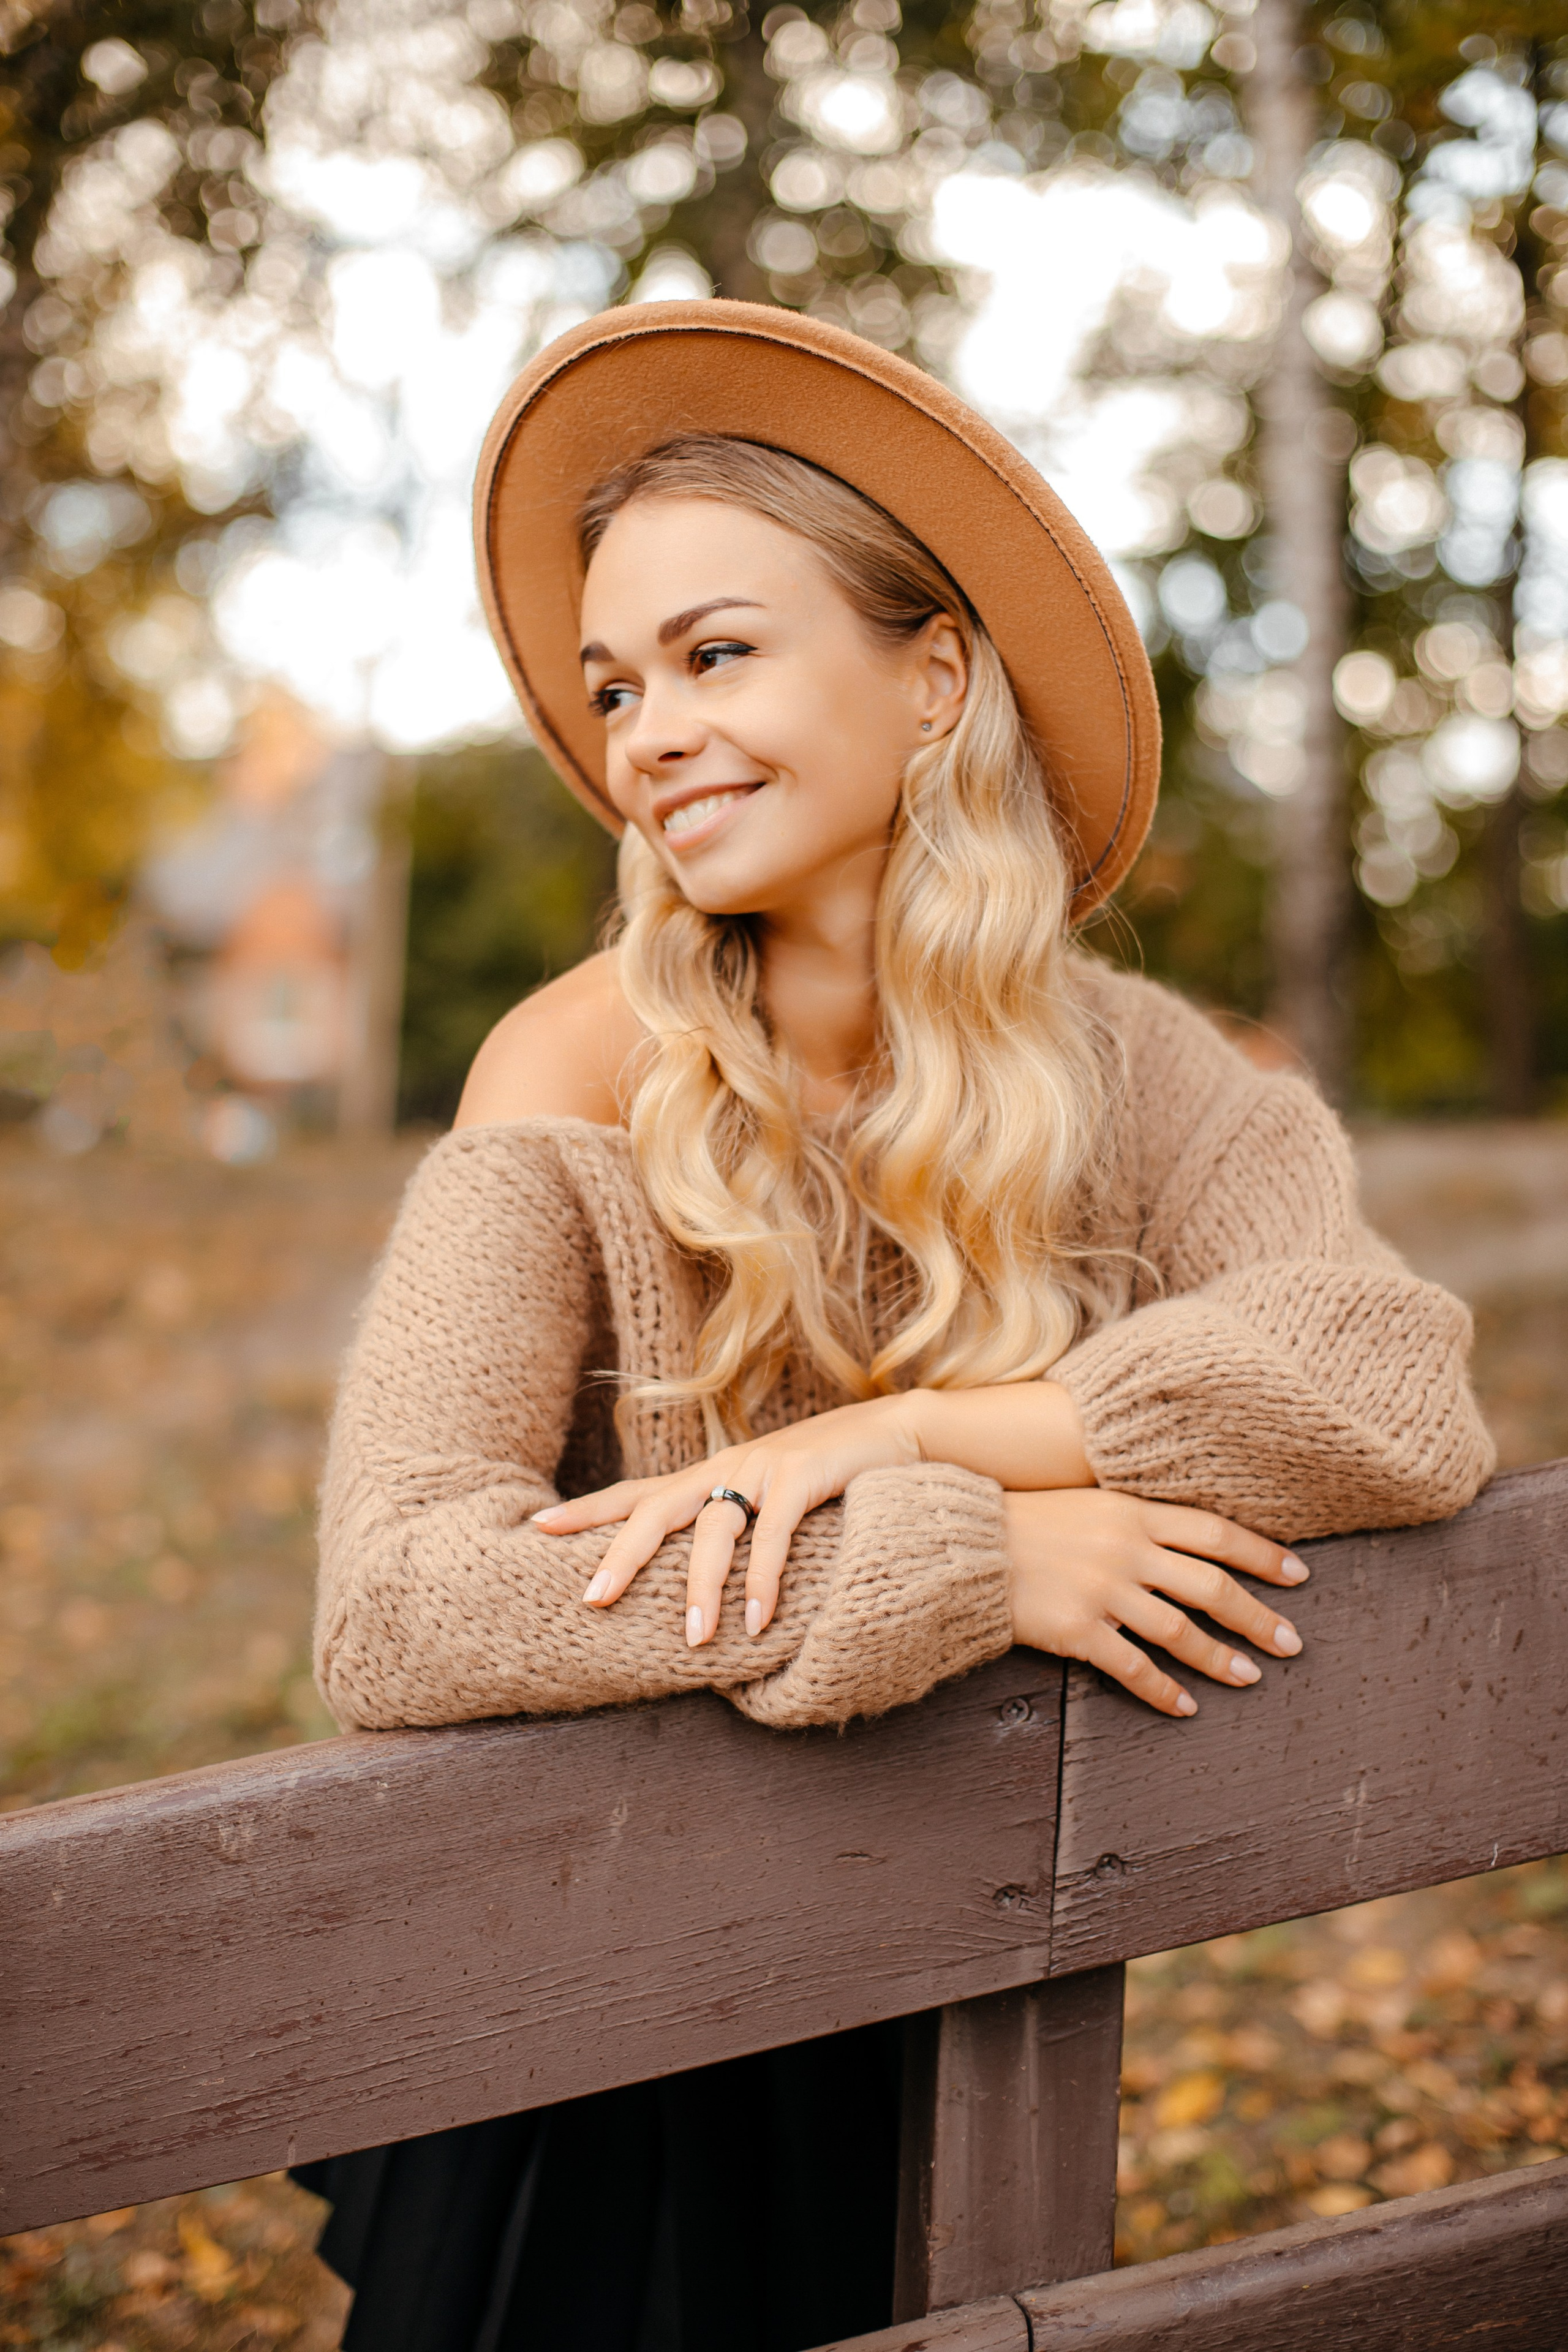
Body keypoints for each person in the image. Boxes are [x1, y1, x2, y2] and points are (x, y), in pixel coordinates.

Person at [296, 303, 1494, 2352]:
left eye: (716, 654)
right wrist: (972, 1558)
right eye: (616, 684)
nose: (645, 732)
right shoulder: (570, 1067)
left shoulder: (1152, 1077)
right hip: (597, 2058)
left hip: (962, 2004)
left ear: (935, 679)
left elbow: (1388, 1391)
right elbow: (396, 1603)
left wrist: (909, 1434)